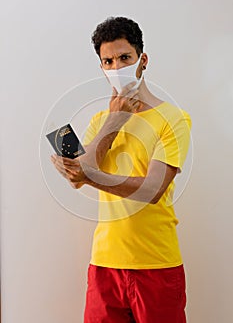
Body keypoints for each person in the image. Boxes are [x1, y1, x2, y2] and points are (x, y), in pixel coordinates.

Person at [51, 16, 192, 323]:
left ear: (143, 60)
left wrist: (88, 174)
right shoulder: (99, 121)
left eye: (125, 58)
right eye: (108, 61)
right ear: (101, 67)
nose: (117, 68)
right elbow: (79, 177)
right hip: (104, 265)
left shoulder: (174, 118)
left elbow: (153, 190)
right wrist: (113, 123)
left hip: (157, 264)